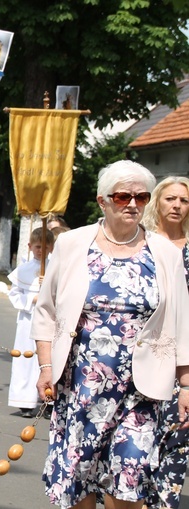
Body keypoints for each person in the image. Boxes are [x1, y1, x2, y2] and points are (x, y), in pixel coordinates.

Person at [32, 160, 189, 509]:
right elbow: (47, 311)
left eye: (141, 196)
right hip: (81, 384)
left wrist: (187, 384)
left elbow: (181, 321)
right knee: (79, 476)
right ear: (103, 201)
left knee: (129, 477)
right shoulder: (73, 244)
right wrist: (45, 367)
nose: (133, 204)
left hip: (141, 388)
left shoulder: (164, 253)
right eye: (123, 196)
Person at [141, 176, 189, 509]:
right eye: (170, 198)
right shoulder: (144, 243)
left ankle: (164, 501)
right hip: (149, 348)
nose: (177, 205)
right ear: (157, 201)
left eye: (184, 201)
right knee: (144, 429)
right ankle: (133, 495)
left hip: (186, 350)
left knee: (181, 432)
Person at [7, 227, 55, 418]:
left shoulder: (55, 268)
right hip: (28, 320)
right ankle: (25, 401)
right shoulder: (24, 270)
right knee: (25, 360)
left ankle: (48, 400)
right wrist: (31, 300)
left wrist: (49, 285)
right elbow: (14, 294)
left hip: (49, 320)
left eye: (45, 247)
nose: (40, 251)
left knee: (47, 360)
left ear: (51, 247)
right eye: (37, 247)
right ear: (30, 247)